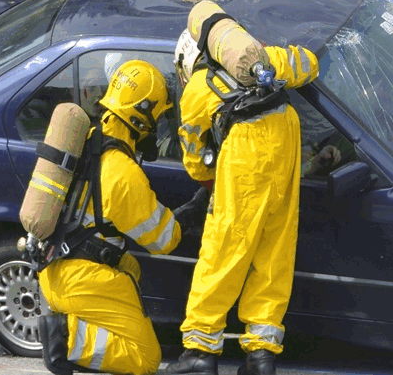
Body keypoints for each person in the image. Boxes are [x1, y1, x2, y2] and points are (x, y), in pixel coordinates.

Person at [167, 23, 319, 375]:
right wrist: (271, 54)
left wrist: (209, 180)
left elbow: (193, 159)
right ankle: (261, 356)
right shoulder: (265, 62)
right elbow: (310, 63)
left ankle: (199, 352)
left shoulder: (198, 91)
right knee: (275, 249)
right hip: (285, 138)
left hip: (246, 154)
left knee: (224, 249)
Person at [37, 60, 192, 375]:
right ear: (142, 116)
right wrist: (195, 208)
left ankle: (75, 322)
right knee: (144, 358)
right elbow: (165, 240)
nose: (157, 127)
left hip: (54, 268)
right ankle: (65, 337)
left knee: (130, 269)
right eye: (157, 119)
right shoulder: (122, 173)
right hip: (80, 279)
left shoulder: (91, 136)